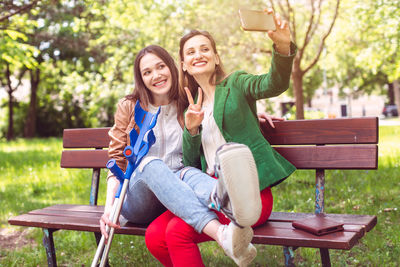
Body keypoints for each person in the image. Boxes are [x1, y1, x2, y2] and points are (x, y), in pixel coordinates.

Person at [101, 44, 278, 266]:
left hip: (178, 190)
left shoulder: (186, 103)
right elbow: (116, 160)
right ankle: (221, 234)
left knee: (187, 172)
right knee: (152, 163)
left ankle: (231, 204)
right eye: (147, 72)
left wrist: (250, 114)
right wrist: (109, 208)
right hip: (139, 198)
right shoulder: (130, 106)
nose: (156, 75)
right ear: (141, 78)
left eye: (161, 67)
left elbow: (215, 109)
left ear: (171, 68)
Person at [145, 8, 297, 267]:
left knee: (176, 232)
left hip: (249, 193)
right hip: (208, 191)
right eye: (190, 52)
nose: (198, 55)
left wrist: (282, 46)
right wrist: (191, 130)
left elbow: (273, 83)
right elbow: (192, 168)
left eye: (205, 49)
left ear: (216, 57)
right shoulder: (190, 107)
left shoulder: (236, 84)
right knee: (155, 236)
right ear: (183, 65)